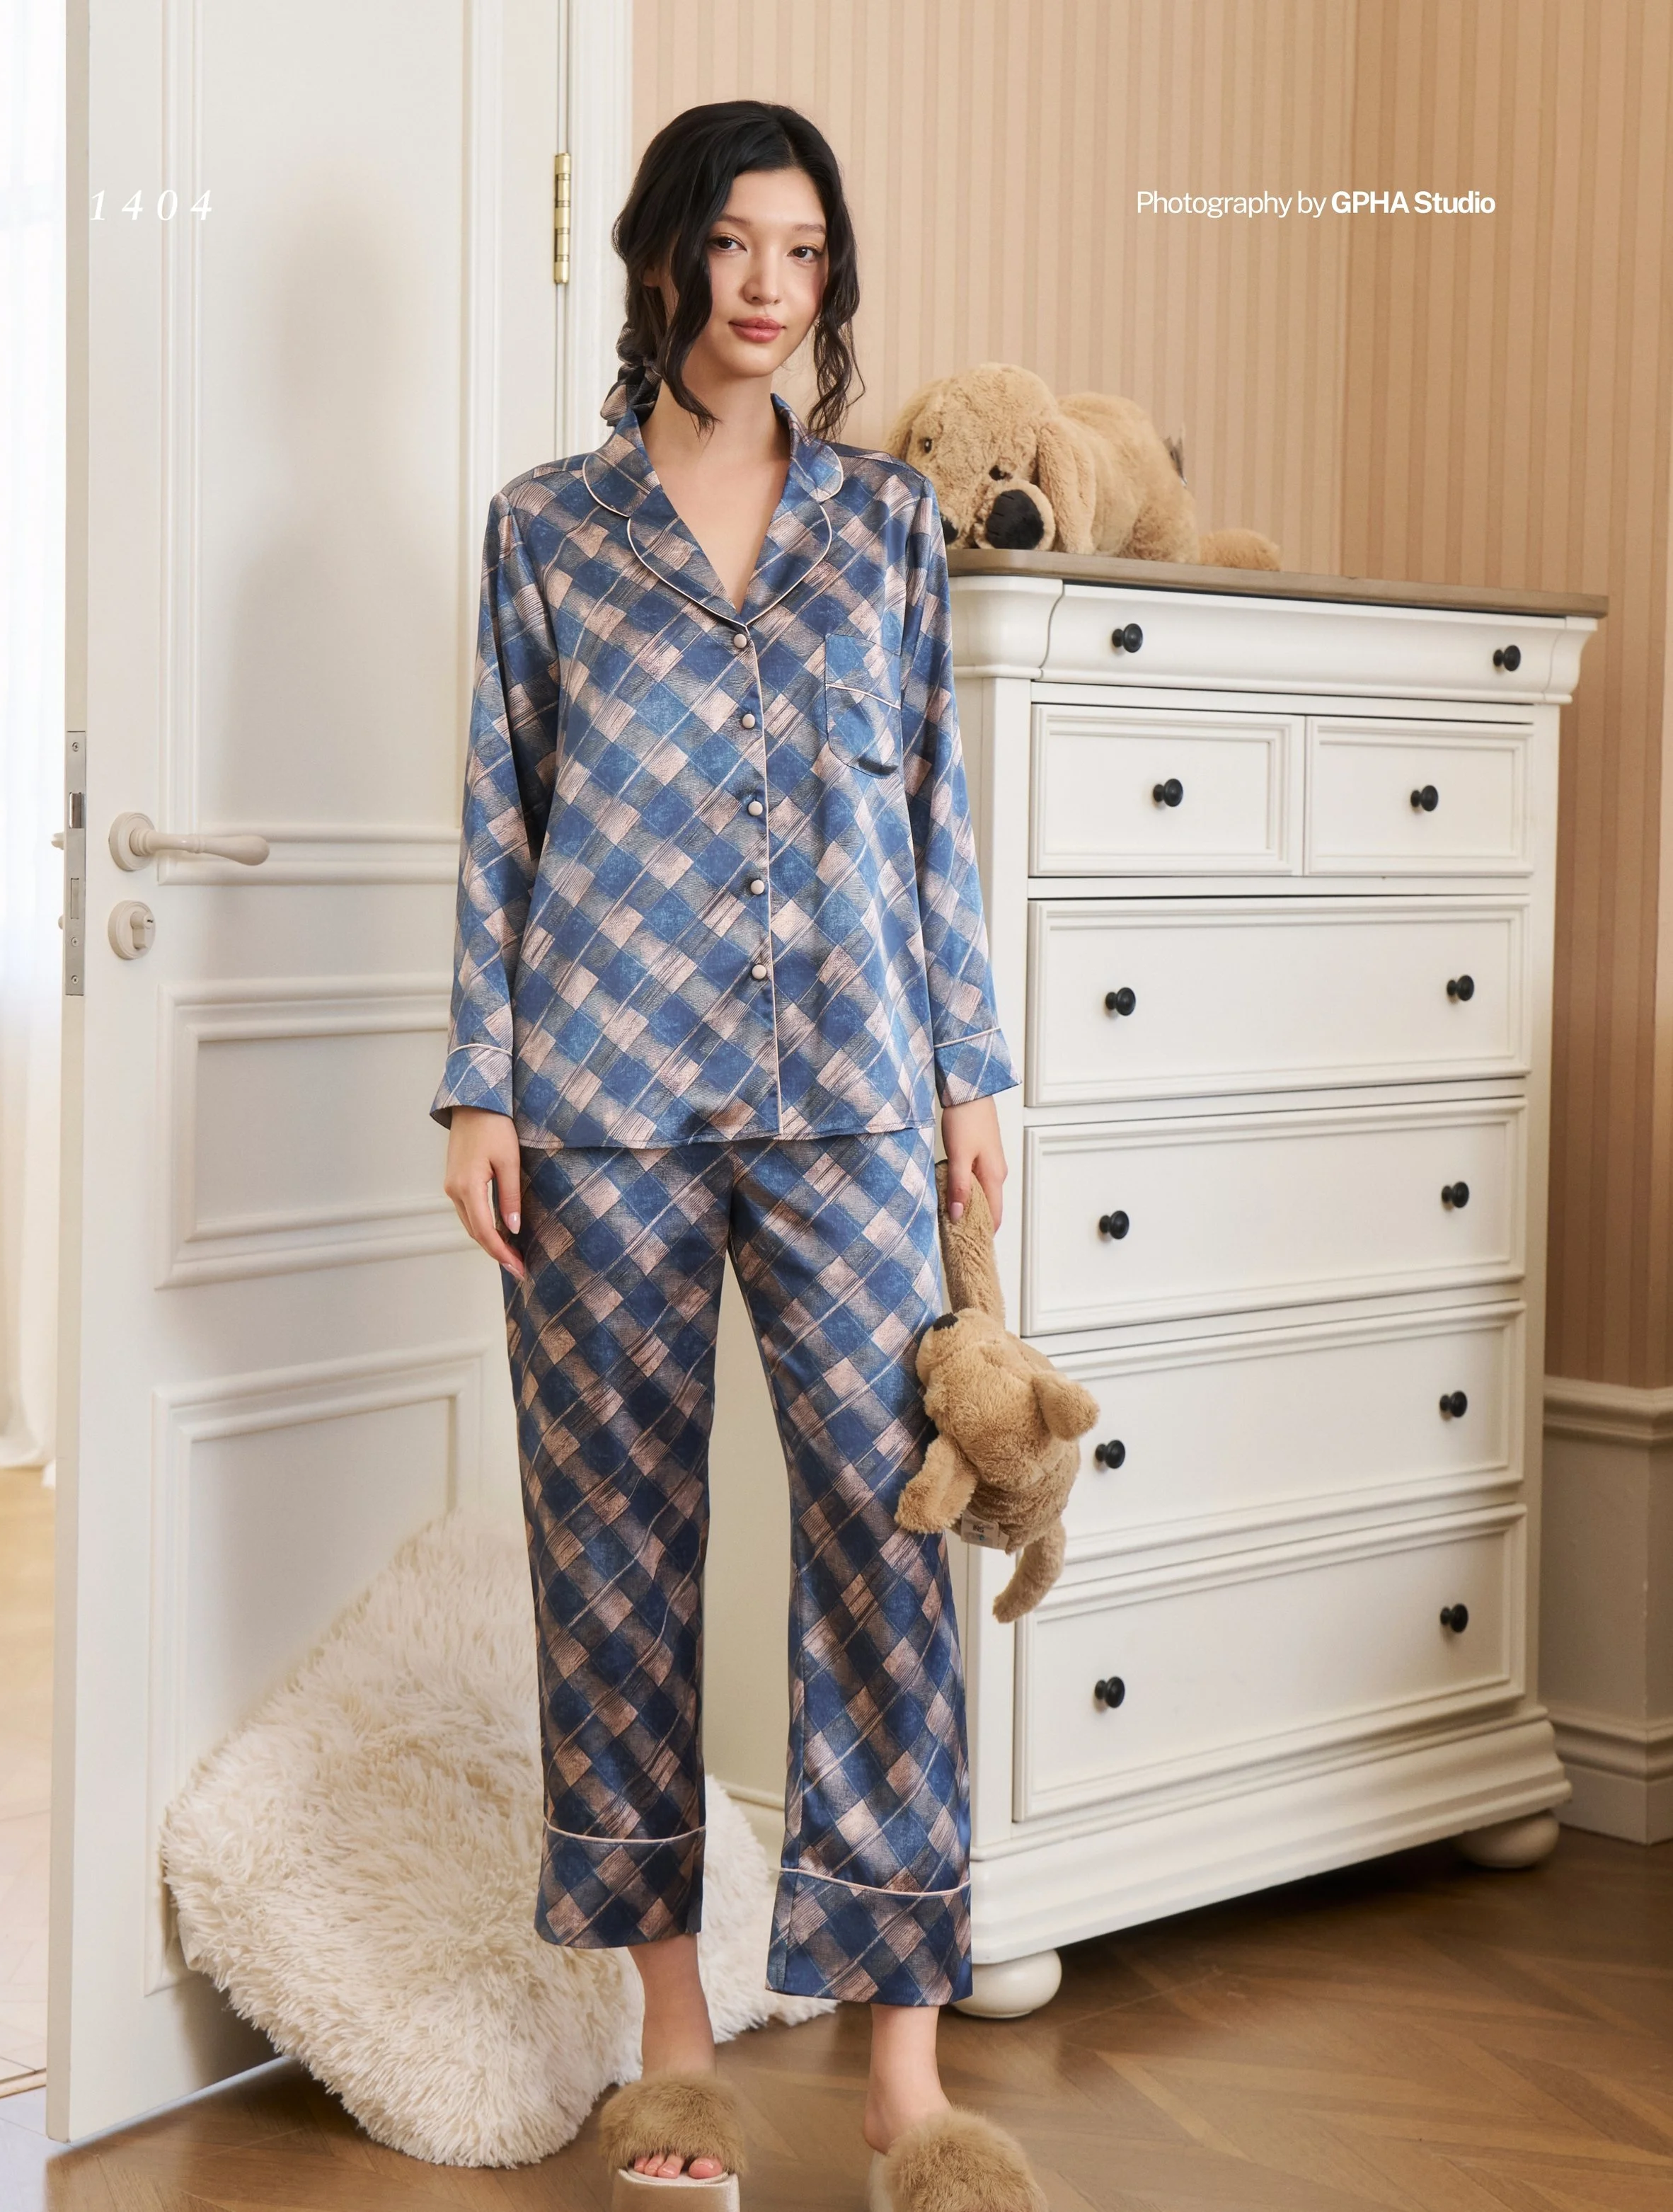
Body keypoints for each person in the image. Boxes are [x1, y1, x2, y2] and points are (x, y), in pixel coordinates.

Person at [436, 98, 1042, 2212]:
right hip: (597, 1098)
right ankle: (674, 2048)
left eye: (803, 249)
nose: (770, 285)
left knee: (886, 1534)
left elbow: (930, 809)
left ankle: (904, 2075)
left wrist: (968, 1066)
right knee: (612, 1549)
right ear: (666, 260)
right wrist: (479, 1086)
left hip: (855, 1084)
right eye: (732, 243)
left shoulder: (885, 529)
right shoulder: (545, 532)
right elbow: (500, 817)